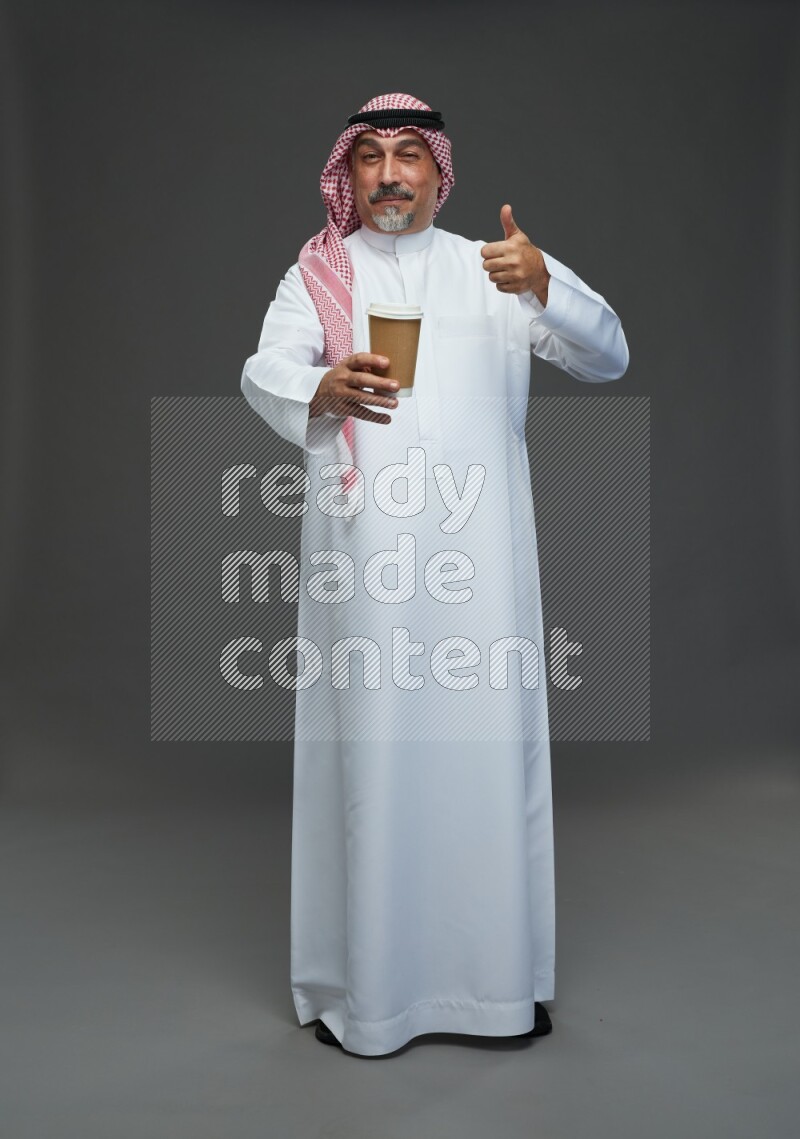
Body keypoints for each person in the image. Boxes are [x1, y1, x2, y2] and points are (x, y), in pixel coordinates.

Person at [240, 93, 628, 1057]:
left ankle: (496, 991)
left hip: (479, 575)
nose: (389, 175)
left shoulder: (490, 268)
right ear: (350, 172)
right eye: (369, 157)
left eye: (408, 155)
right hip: (363, 570)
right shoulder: (317, 276)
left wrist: (547, 287)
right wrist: (317, 385)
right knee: (372, 761)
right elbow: (263, 371)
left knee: (484, 761)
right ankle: (371, 995)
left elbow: (608, 355)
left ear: (437, 170)